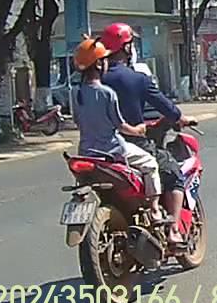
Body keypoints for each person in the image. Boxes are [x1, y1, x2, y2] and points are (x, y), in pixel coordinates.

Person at [98, 23, 190, 244]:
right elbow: (167, 108)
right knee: (173, 173)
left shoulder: (93, 80)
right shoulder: (137, 79)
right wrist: (180, 118)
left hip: (95, 148)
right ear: (126, 47)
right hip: (131, 143)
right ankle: (173, 231)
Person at [70, 36, 164, 208]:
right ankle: (155, 208)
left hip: (86, 152)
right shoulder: (107, 93)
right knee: (150, 164)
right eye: (105, 59)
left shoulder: (75, 93)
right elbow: (121, 126)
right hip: (112, 150)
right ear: (99, 64)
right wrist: (138, 130)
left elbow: (77, 120)